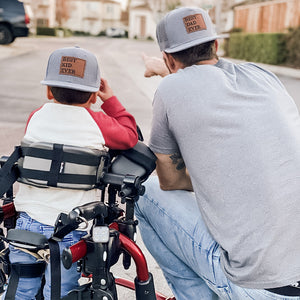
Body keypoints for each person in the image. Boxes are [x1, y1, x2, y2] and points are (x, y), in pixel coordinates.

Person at [135, 6, 300, 300]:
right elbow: (207, 74)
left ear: (168, 58)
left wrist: (212, 177)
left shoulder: (170, 89)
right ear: (216, 44)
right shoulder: (263, 76)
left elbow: (170, 181)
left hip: (262, 288)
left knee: (145, 193)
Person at [6, 46, 138, 299]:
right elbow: (131, 136)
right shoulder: (97, 123)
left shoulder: (36, 116)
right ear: (92, 95)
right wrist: (110, 100)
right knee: (62, 291)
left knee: (22, 288)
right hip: (70, 230)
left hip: (26, 223)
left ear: (47, 90)